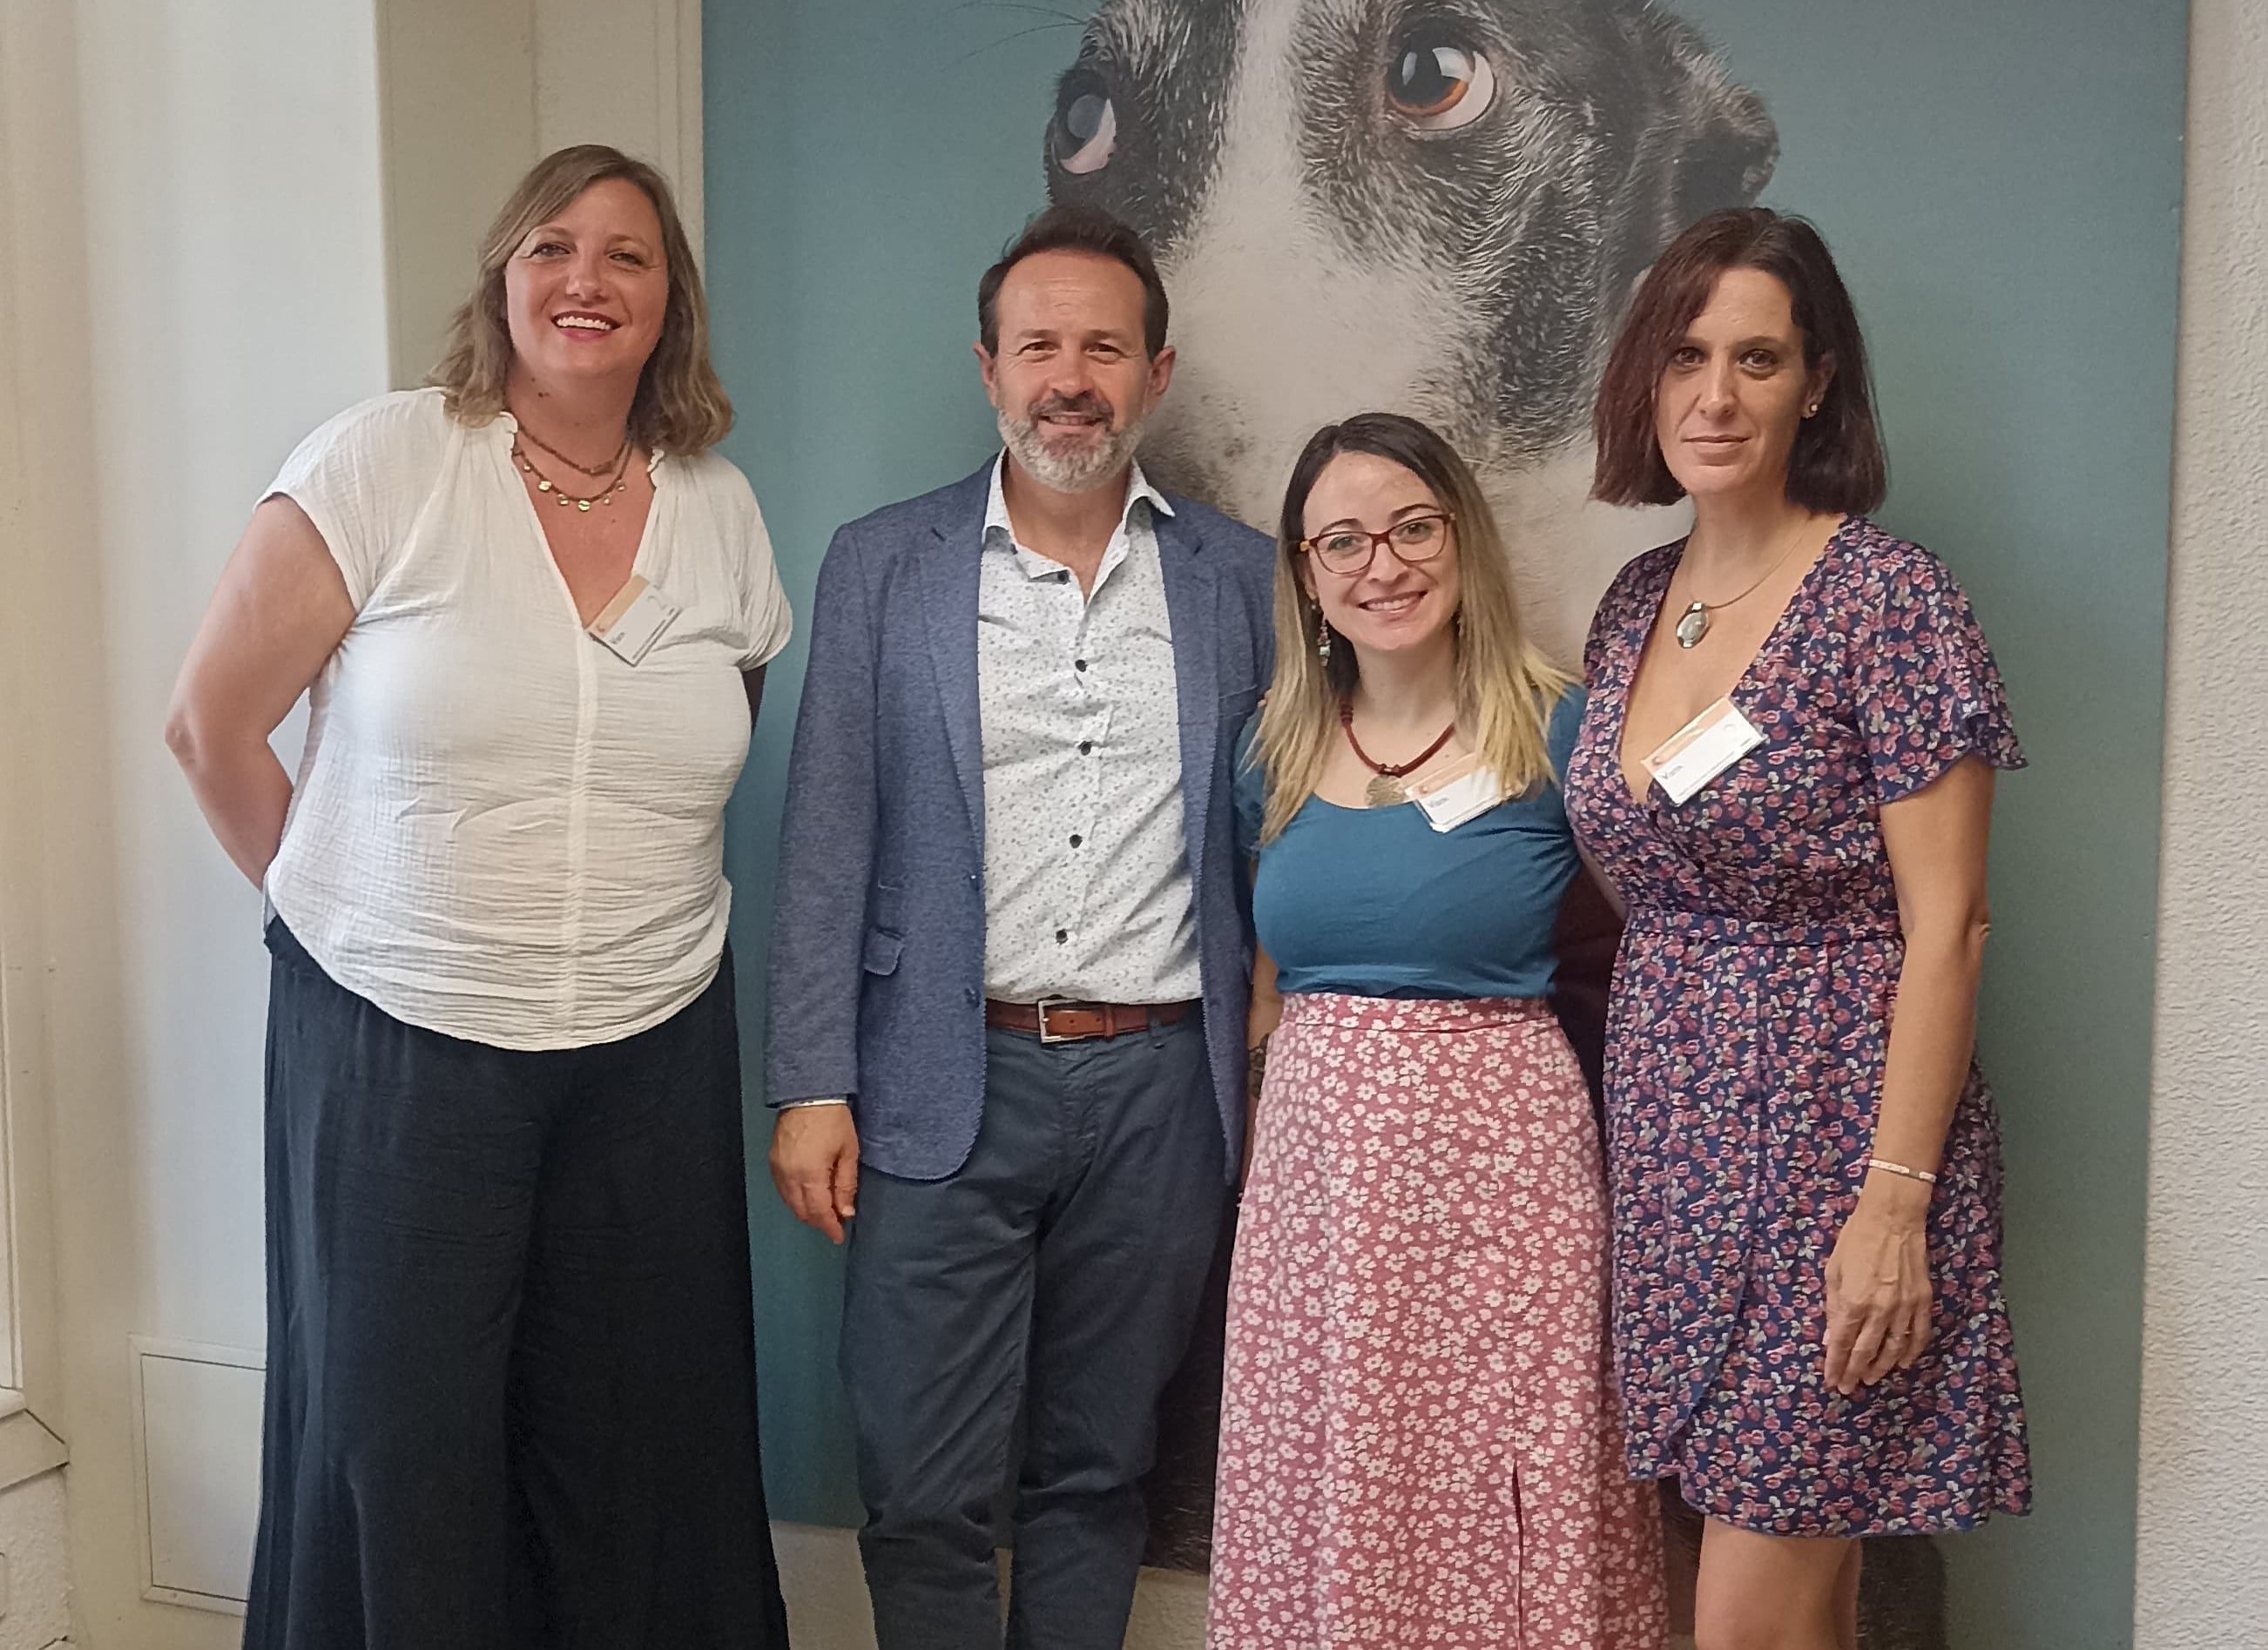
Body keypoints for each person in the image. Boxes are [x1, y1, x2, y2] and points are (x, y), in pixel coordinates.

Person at [164, 145, 792, 1650]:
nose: (588, 280)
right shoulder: (387, 462)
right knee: (403, 1442)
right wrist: (344, 911)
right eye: (553, 247)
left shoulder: (719, 508)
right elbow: (211, 724)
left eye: (628, 255)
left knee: (633, 1443)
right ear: (502, 279)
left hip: (650, 1043)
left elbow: (716, 737)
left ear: (669, 301)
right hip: (398, 1040)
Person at [765, 204, 1274, 1650]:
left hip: (1163, 1089)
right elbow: (828, 836)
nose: (1071, 377)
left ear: (1156, 374)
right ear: (986, 367)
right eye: (1039, 344)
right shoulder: (886, 563)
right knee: (921, 1485)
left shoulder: (1240, 577)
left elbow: (1279, 824)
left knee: (1099, 1470)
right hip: (939, 1077)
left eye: (1104, 347)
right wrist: (811, 1082)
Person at [1565, 205, 2032, 1650]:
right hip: (1672, 1154)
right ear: (1648, 380)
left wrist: (1894, 1203)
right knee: (1780, 1603)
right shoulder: (1635, 603)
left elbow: (1949, 929)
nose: (1717, 395)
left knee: (1751, 1615)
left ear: (1816, 381)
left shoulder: (1892, 603)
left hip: (1838, 1150)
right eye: (1688, 355)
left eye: (1757, 358)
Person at [1207, 412, 1664, 1649]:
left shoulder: (1558, 727)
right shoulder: (1273, 750)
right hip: (1322, 1195)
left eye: (1413, 527)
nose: (1382, 564)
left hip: (1504, 1187)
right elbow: (1258, 979)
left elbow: (1664, 942)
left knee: (1503, 1467)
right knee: (1337, 1465)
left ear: (1461, 537)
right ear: (1306, 572)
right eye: (1341, 539)